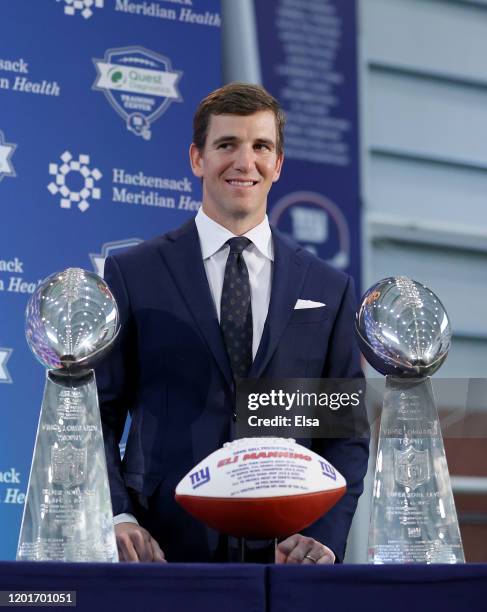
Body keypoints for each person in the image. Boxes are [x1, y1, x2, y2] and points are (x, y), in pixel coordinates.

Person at [96, 82, 369, 565]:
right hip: (161, 555)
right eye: (227, 145)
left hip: (286, 562)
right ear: (197, 158)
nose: (245, 162)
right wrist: (119, 519)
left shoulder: (329, 288)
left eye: (261, 146)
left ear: (278, 164)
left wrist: (323, 538)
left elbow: (343, 435)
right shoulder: (134, 274)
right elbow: (97, 418)